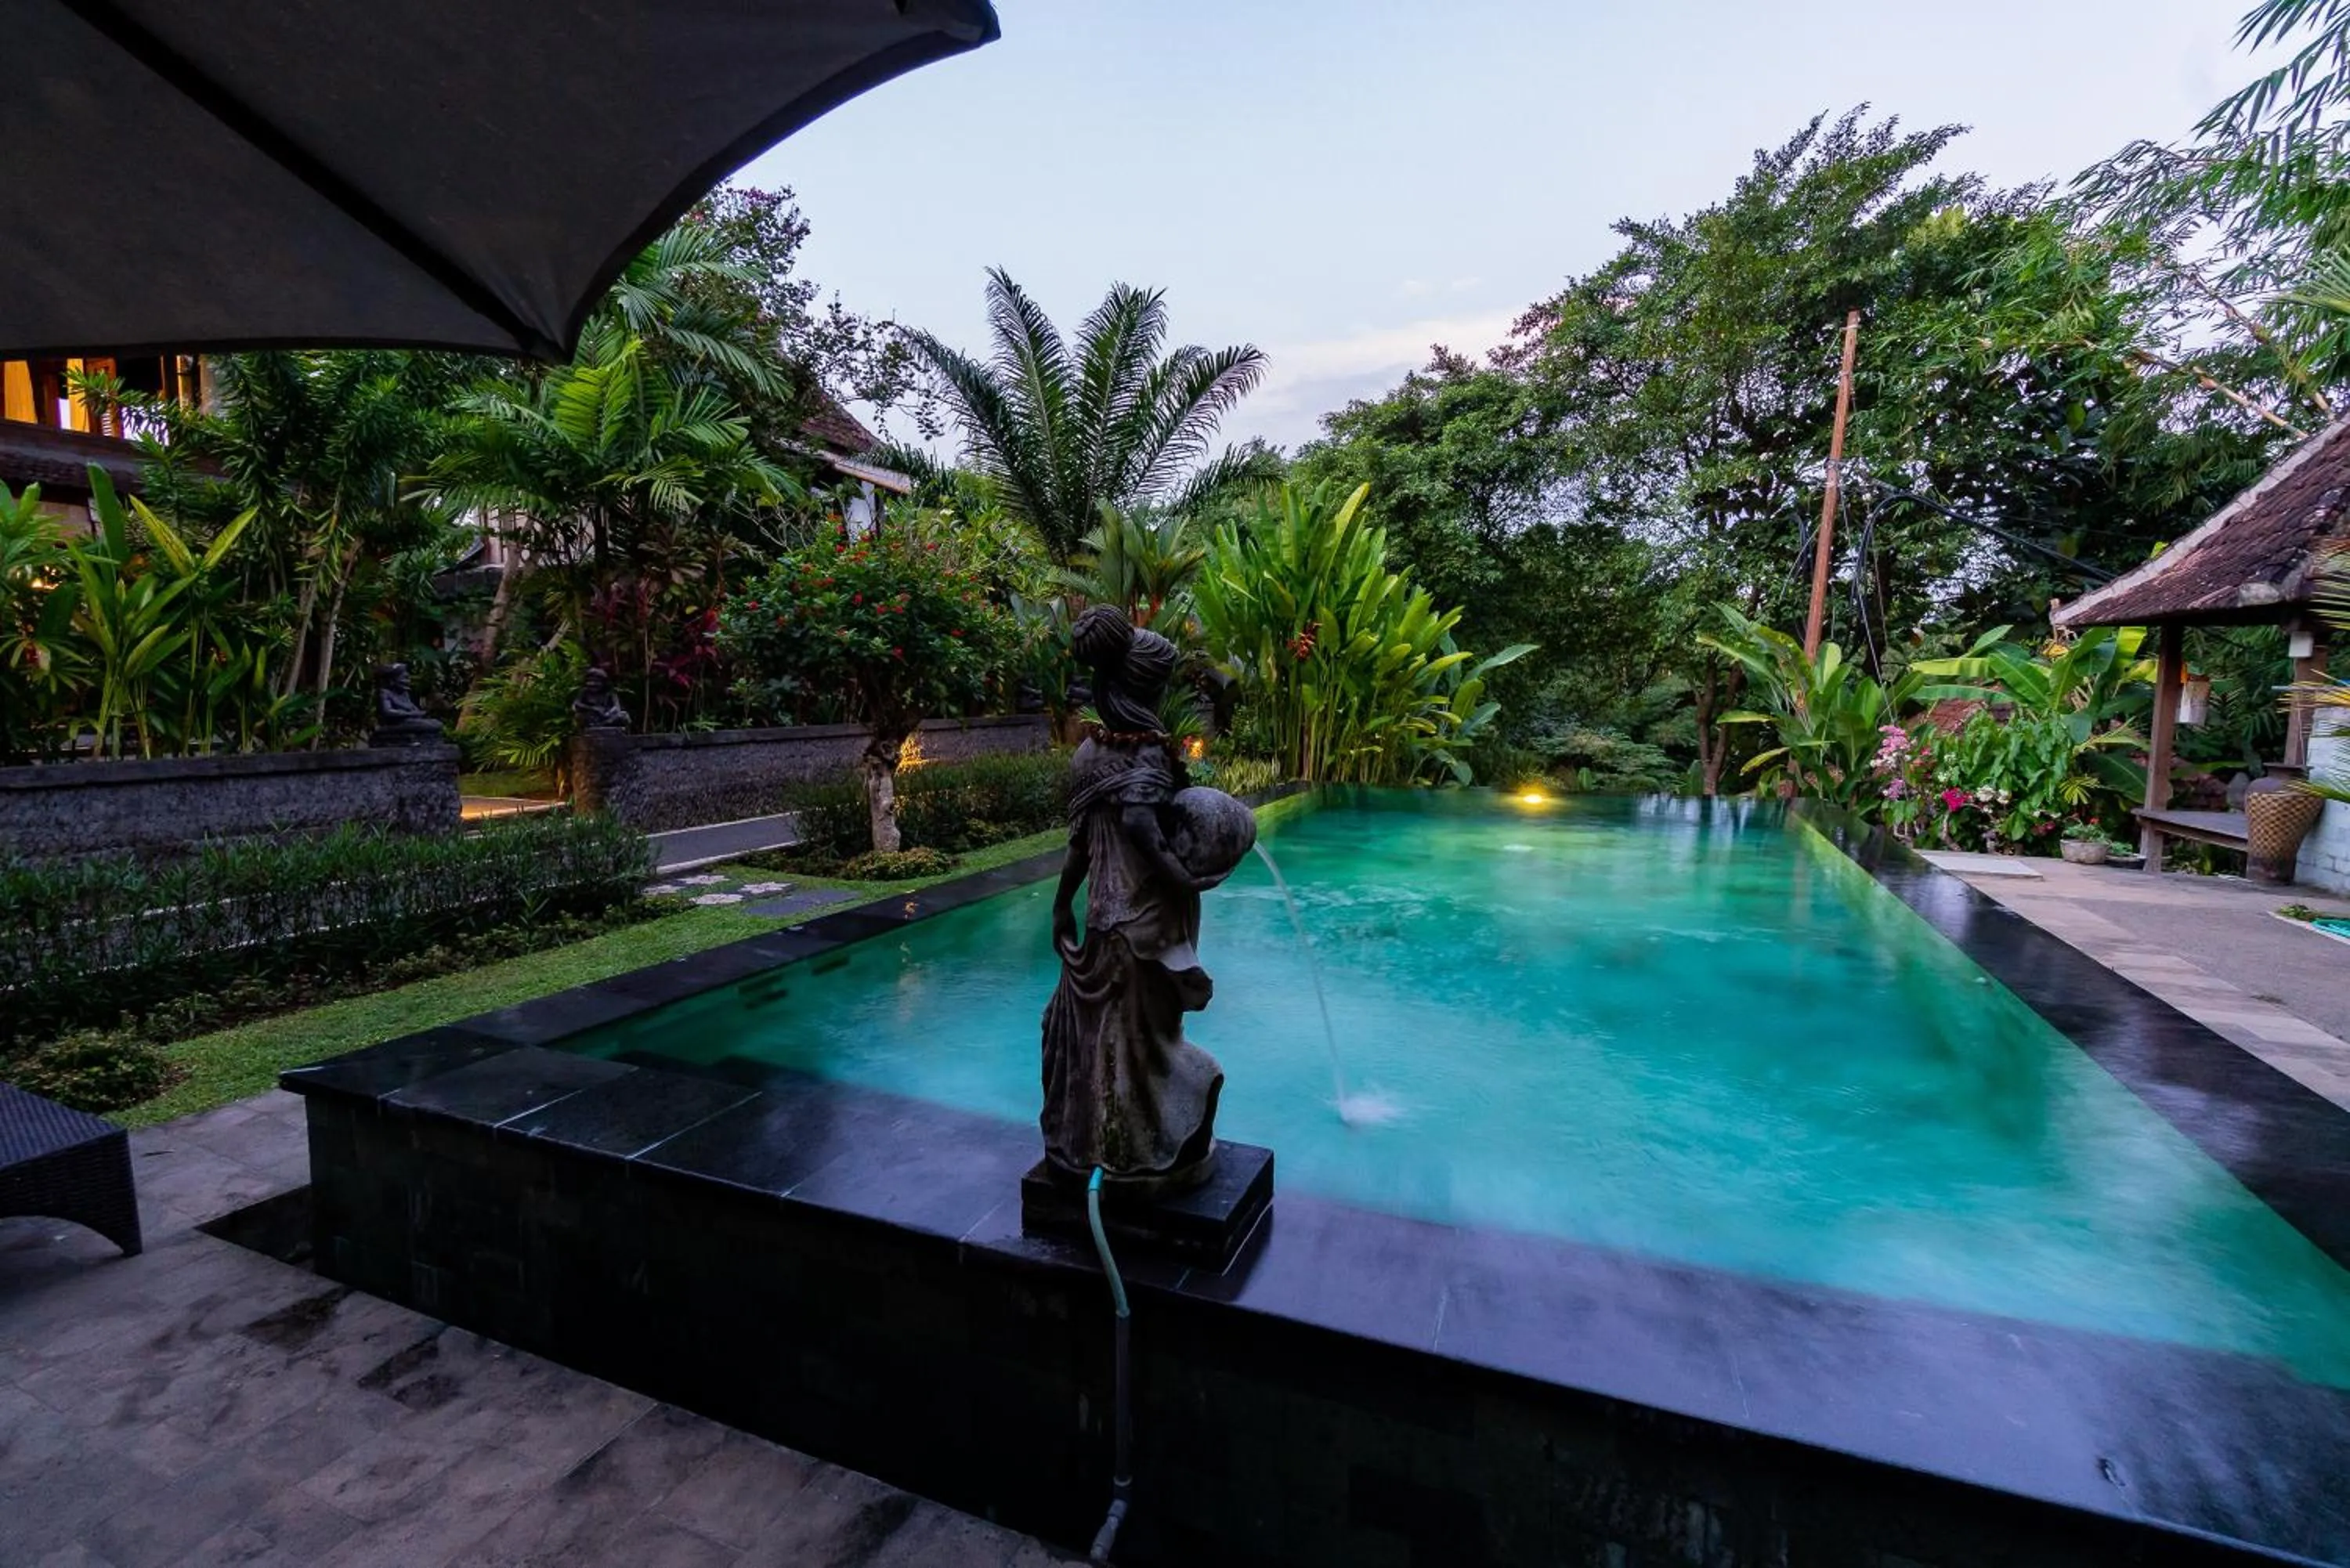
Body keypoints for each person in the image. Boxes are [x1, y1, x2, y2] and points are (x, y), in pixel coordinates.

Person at [1040, 606, 1224, 1191]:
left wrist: (1061, 904)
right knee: (1146, 1045)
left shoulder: (1088, 755)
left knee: (1110, 1041)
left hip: (1102, 921)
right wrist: (1187, 879)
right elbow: (1142, 828)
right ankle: (1142, 1149)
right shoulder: (1146, 755)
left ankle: (1099, 1144)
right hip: (1145, 921)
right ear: (1144, 690)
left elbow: (1078, 846)